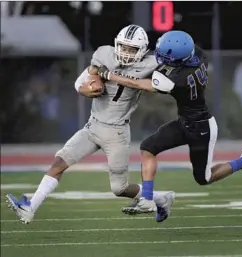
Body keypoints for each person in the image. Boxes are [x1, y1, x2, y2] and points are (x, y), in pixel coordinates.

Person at [6, 25, 175, 224]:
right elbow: (85, 79)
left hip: (117, 132)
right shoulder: (104, 54)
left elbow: (162, 86)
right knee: (59, 163)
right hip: (93, 126)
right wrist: (87, 88)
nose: (126, 53)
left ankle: (161, 198)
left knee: (119, 189)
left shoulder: (151, 63)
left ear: (143, 50)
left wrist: (112, 76)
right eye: (123, 47)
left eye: (132, 49)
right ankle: (30, 208)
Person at [96, 30, 242, 217]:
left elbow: (138, 84)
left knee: (204, 178)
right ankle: (148, 200)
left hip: (202, 128)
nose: (160, 56)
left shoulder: (175, 79)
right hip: (185, 122)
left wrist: (111, 75)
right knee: (148, 147)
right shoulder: (199, 55)